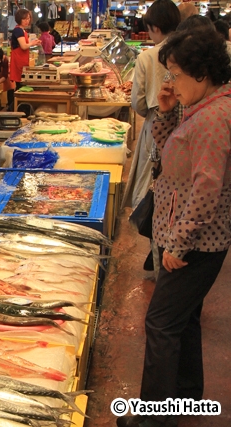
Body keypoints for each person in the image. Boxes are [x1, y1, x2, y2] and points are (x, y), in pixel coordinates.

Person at [117, 26, 231, 427]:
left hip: (196, 244)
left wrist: (178, 246)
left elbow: (207, 188)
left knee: (161, 323)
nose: (170, 82)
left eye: (176, 74)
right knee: (183, 320)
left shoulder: (216, 117)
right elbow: (169, 153)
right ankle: (184, 398)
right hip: (188, 238)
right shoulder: (201, 108)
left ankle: (152, 419)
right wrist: (165, 114)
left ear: (201, 73)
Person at [122, 0, 180, 275]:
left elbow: (139, 103)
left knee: (153, 189)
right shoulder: (189, 50)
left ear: (155, 27)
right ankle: (164, 250)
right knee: (176, 191)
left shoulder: (148, 57)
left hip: (159, 123)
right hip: (186, 125)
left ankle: (159, 252)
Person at [10, 9, 41, 98]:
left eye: (28, 18)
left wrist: (33, 43)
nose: (27, 21)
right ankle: (16, 105)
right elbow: (23, 46)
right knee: (20, 84)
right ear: (19, 19)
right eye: (24, 19)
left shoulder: (23, 31)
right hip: (18, 60)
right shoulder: (18, 30)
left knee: (22, 83)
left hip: (22, 59)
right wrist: (33, 43)